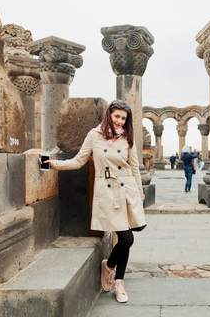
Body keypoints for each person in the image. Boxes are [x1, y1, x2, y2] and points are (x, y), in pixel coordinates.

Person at [39, 100, 146, 304]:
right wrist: (53, 164)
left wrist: (139, 194)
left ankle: (118, 281)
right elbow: (78, 161)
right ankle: (109, 268)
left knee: (125, 238)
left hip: (126, 191)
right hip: (107, 192)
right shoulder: (94, 136)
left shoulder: (127, 137)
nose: (120, 121)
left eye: (123, 118)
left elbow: (134, 168)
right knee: (126, 239)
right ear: (109, 115)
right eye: (117, 116)